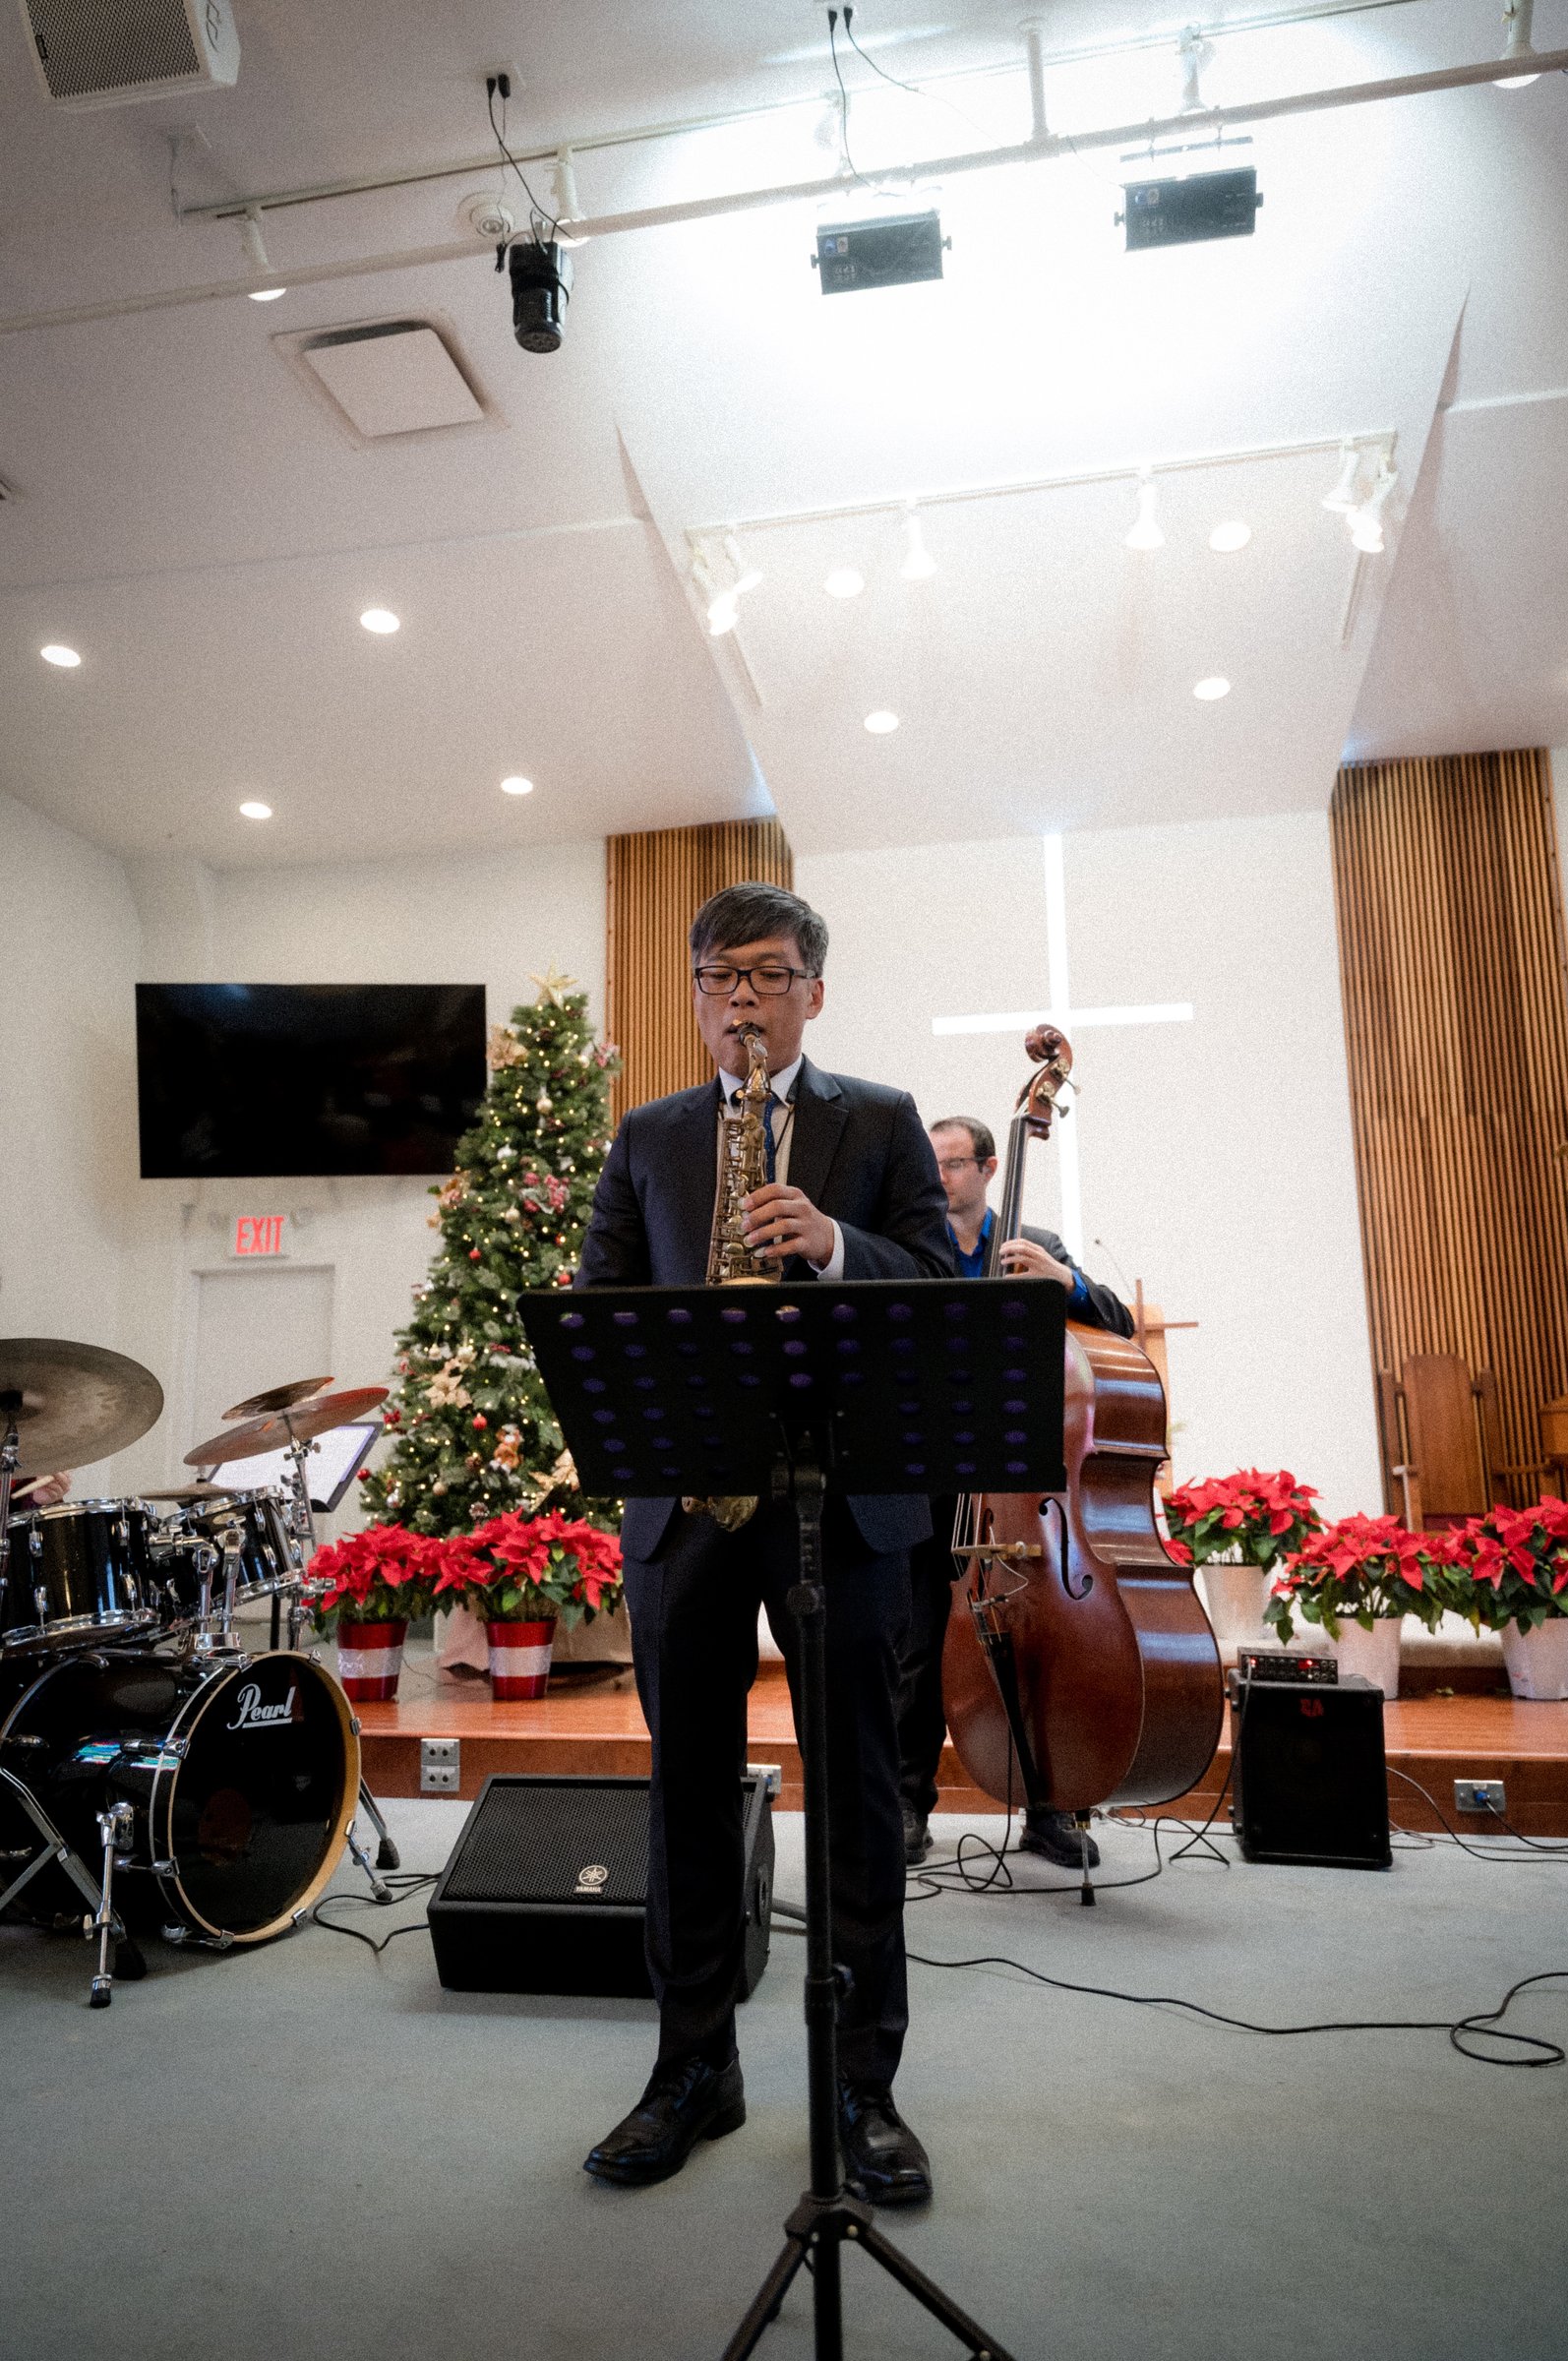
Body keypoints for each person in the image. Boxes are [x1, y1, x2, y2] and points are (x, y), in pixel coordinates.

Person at [574, 881, 954, 2204]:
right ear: (694, 995)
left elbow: (941, 1285)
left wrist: (838, 1244)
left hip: (841, 1501)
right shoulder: (648, 1136)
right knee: (684, 1795)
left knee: (856, 1798)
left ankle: (862, 2091)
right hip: (686, 1506)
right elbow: (600, 1305)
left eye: (769, 973)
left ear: (814, 992)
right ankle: (692, 2070)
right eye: (719, 974)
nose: (742, 995)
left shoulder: (882, 1121)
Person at [896, 1116, 1135, 1871]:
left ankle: (1049, 1807)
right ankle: (906, 1805)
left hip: (1020, 1489)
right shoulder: (915, 1249)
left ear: (990, 1167)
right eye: (931, 1165)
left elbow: (1120, 1324)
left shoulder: (1036, 1243)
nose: (940, 1178)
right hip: (931, 1475)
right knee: (918, 1650)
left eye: (953, 1164)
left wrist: (1066, 1283)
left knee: (1038, 1647)